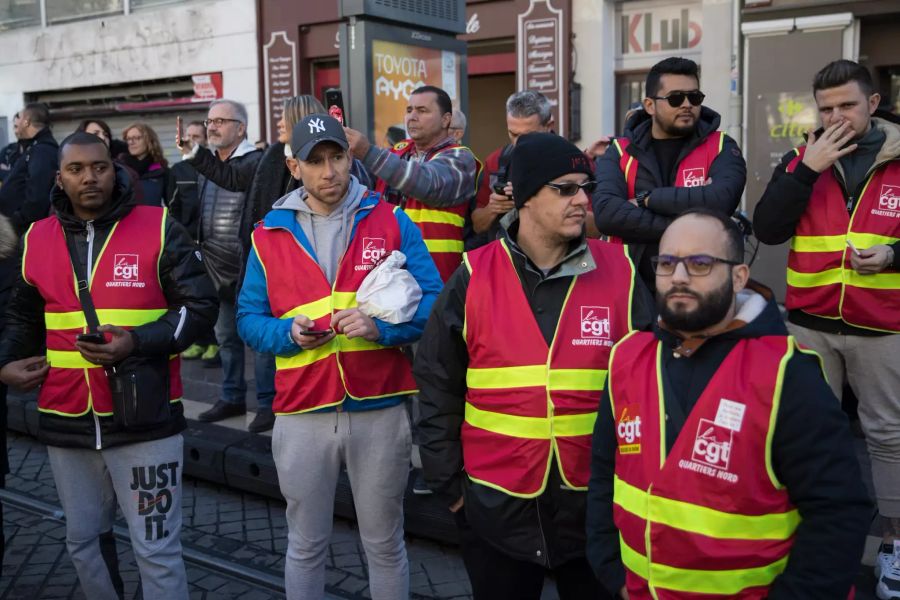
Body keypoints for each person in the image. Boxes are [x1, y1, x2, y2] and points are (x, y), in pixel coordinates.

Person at [414, 132, 654, 600]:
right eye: (564, 189)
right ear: (524, 198)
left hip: (596, 508)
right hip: (492, 505)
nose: (582, 200)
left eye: (584, 186)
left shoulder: (622, 270)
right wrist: (451, 488)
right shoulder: (474, 273)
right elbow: (436, 378)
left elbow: (650, 384)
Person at [586, 209, 871, 599]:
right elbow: (605, 472)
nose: (680, 276)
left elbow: (838, 514)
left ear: (738, 277)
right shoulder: (626, 357)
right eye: (667, 263)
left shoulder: (787, 372)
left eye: (700, 263)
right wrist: (610, 570)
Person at [0, 131, 217, 599]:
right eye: (76, 170)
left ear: (113, 169)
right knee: (83, 542)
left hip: (146, 418)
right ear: (60, 178)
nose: (89, 178)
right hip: (66, 415)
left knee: (156, 549)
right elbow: (20, 314)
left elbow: (200, 308)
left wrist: (137, 342)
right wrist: (6, 364)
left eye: (98, 167)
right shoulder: (36, 237)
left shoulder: (159, 226)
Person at [236, 114, 442, 599]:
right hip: (303, 410)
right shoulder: (267, 235)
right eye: (315, 161)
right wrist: (287, 333)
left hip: (380, 406)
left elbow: (435, 303)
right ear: (293, 167)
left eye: (338, 157)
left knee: (385, 543)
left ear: (350, 157)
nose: (330, 171)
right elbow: (248, 319)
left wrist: (385, 329)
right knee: (306, 544)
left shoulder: (392, 219)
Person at [752, 59, 900, 600]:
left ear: (874, 104)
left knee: (889, 437)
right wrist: (806, 170)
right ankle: (799, 533)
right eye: (826, 107)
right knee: (799, 433)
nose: (835, 117)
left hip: (885, 326)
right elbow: (767, 228)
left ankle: (894, 545)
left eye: (847, 106)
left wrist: (893, 254)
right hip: (810, 323)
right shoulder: (803, 158)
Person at [593, 56, 746, 292]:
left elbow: (721, 201)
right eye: (675, 98)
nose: (687, 104)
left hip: (699, 290)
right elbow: (607, 215)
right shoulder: (619, 152)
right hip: (630, 289)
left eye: (694, 97)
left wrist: (646, 200)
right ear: (649, 105)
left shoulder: (721, 146)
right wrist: (695, 211)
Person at [179, 99, 271, 430]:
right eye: (209, 120)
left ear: (241, 128)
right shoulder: (209, 165)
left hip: (249, 266)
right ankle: (231, 397)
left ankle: (267, 404)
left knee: (258, 342)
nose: (212, 126)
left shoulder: (256, 161)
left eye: (221, 120)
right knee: (226, 339)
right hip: (215, 267)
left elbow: (234, 179)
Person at [345, 85, 480, 282]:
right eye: (409, 110)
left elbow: (428, 184)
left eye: (422, 110)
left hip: (438, 278)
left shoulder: (460, 157)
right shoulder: (395, 155)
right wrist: (341, 154)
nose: (412, 117)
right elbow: (357, 183)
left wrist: (368, 152)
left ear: (446, 119)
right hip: (390, 276)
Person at [470, 90, 554, 244]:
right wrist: (493, 208)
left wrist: (531, 201)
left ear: (549, 126)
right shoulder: (496, 161)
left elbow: (593, 226)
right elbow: (477, 225)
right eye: (513, 134)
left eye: (528, 136)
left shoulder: (572, 161)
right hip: (506, 259)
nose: (519, 143)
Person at [120, 122, 172, 206]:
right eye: (128, 139)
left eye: (137, 138)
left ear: (149, 140)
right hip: (126, 218)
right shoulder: (120, 169)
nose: (131, 142)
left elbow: (172, 205)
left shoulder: (162, 171)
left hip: (153, 218)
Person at [0, 112, 21, 185]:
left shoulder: (35, 149)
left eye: (18, 126)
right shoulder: (7, 150)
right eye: (15, 127)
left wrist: (8, 172)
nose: (16, 131)